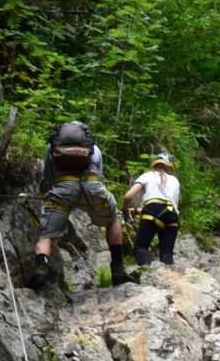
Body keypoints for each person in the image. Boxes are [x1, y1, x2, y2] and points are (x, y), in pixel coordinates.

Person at [33, 120, 136, 288]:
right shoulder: (94, 149)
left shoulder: (51, 148)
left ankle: (41, 268)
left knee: (47, 235)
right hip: (92, 188)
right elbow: (99, 176)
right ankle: (118, 269)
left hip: (63, 191)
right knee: (112, 220)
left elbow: (47, 180)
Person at [122, 153, 182, 266]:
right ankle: (169, 280)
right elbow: (167, 205)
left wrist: (125, 209)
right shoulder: (175, 181)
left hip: (152, 212)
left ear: (154, 165)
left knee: (140, 247)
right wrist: (138, 210)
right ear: (169, 167)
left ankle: (148, 274)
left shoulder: (147, 176)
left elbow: (128, 197)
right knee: (167, 253)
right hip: (172, 215)